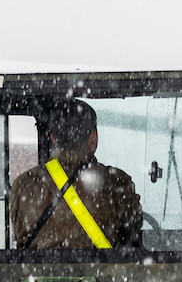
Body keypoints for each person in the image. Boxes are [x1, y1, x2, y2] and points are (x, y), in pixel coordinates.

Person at [9, 99, 144, 250]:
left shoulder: (23, 185)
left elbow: (19, 236)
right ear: (93, 139)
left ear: (53, 137)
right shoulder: (116, 182)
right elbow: (132, 232)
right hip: (103, 273)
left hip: (36, 273)